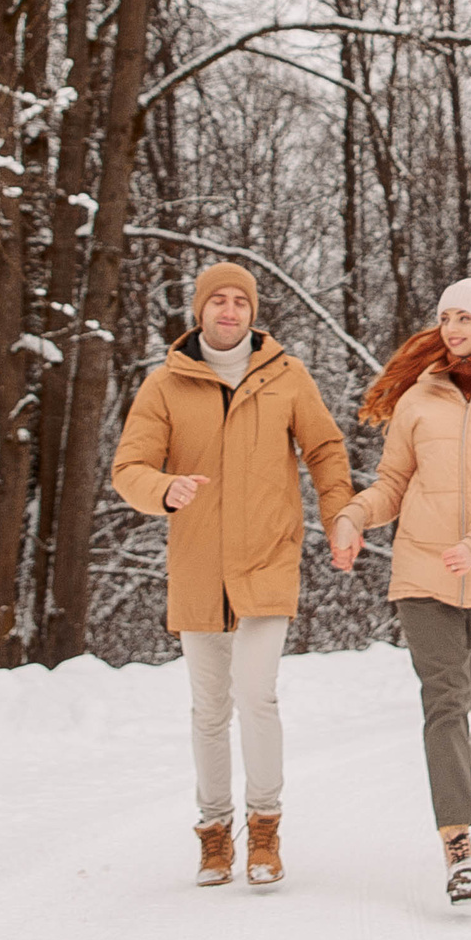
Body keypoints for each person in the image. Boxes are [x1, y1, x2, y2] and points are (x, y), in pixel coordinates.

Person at [112, 261, 353, 889]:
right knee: (208, 710)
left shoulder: (286, 376)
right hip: (197, 567)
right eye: (216, 301)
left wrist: (339, 517)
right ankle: (214, 833)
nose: (229, 311)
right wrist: (166, 489)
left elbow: (325, 449)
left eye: (239, 302)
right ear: (199, 312)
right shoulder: (165, 385)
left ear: (252, 312)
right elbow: (129, 467)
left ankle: (265, 824)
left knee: (257, 694)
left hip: (267, 558)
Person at [328, 276, 471, 904]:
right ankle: (456, 843)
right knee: (443, 699)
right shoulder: (419, 397)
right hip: (424, 571)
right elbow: (393, 482)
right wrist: (353, 515)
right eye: (448, 316)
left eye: (468, 318)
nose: (454, 328)